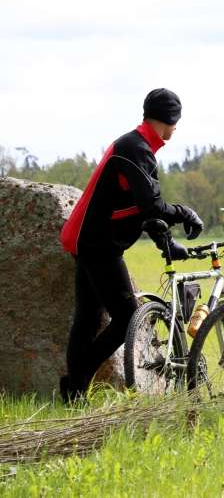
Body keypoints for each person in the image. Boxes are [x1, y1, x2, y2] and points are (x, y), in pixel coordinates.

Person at [59, 88, 204, 403]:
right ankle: (76, 381)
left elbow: (143, 211)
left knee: (87, 319)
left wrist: (167, 243)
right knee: (126, 316)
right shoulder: (135, 148)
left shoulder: (138, 147)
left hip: (91, 240)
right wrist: (185, 213)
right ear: (170, 120)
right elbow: (153, 207)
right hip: (97, 244)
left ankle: (74, 393)